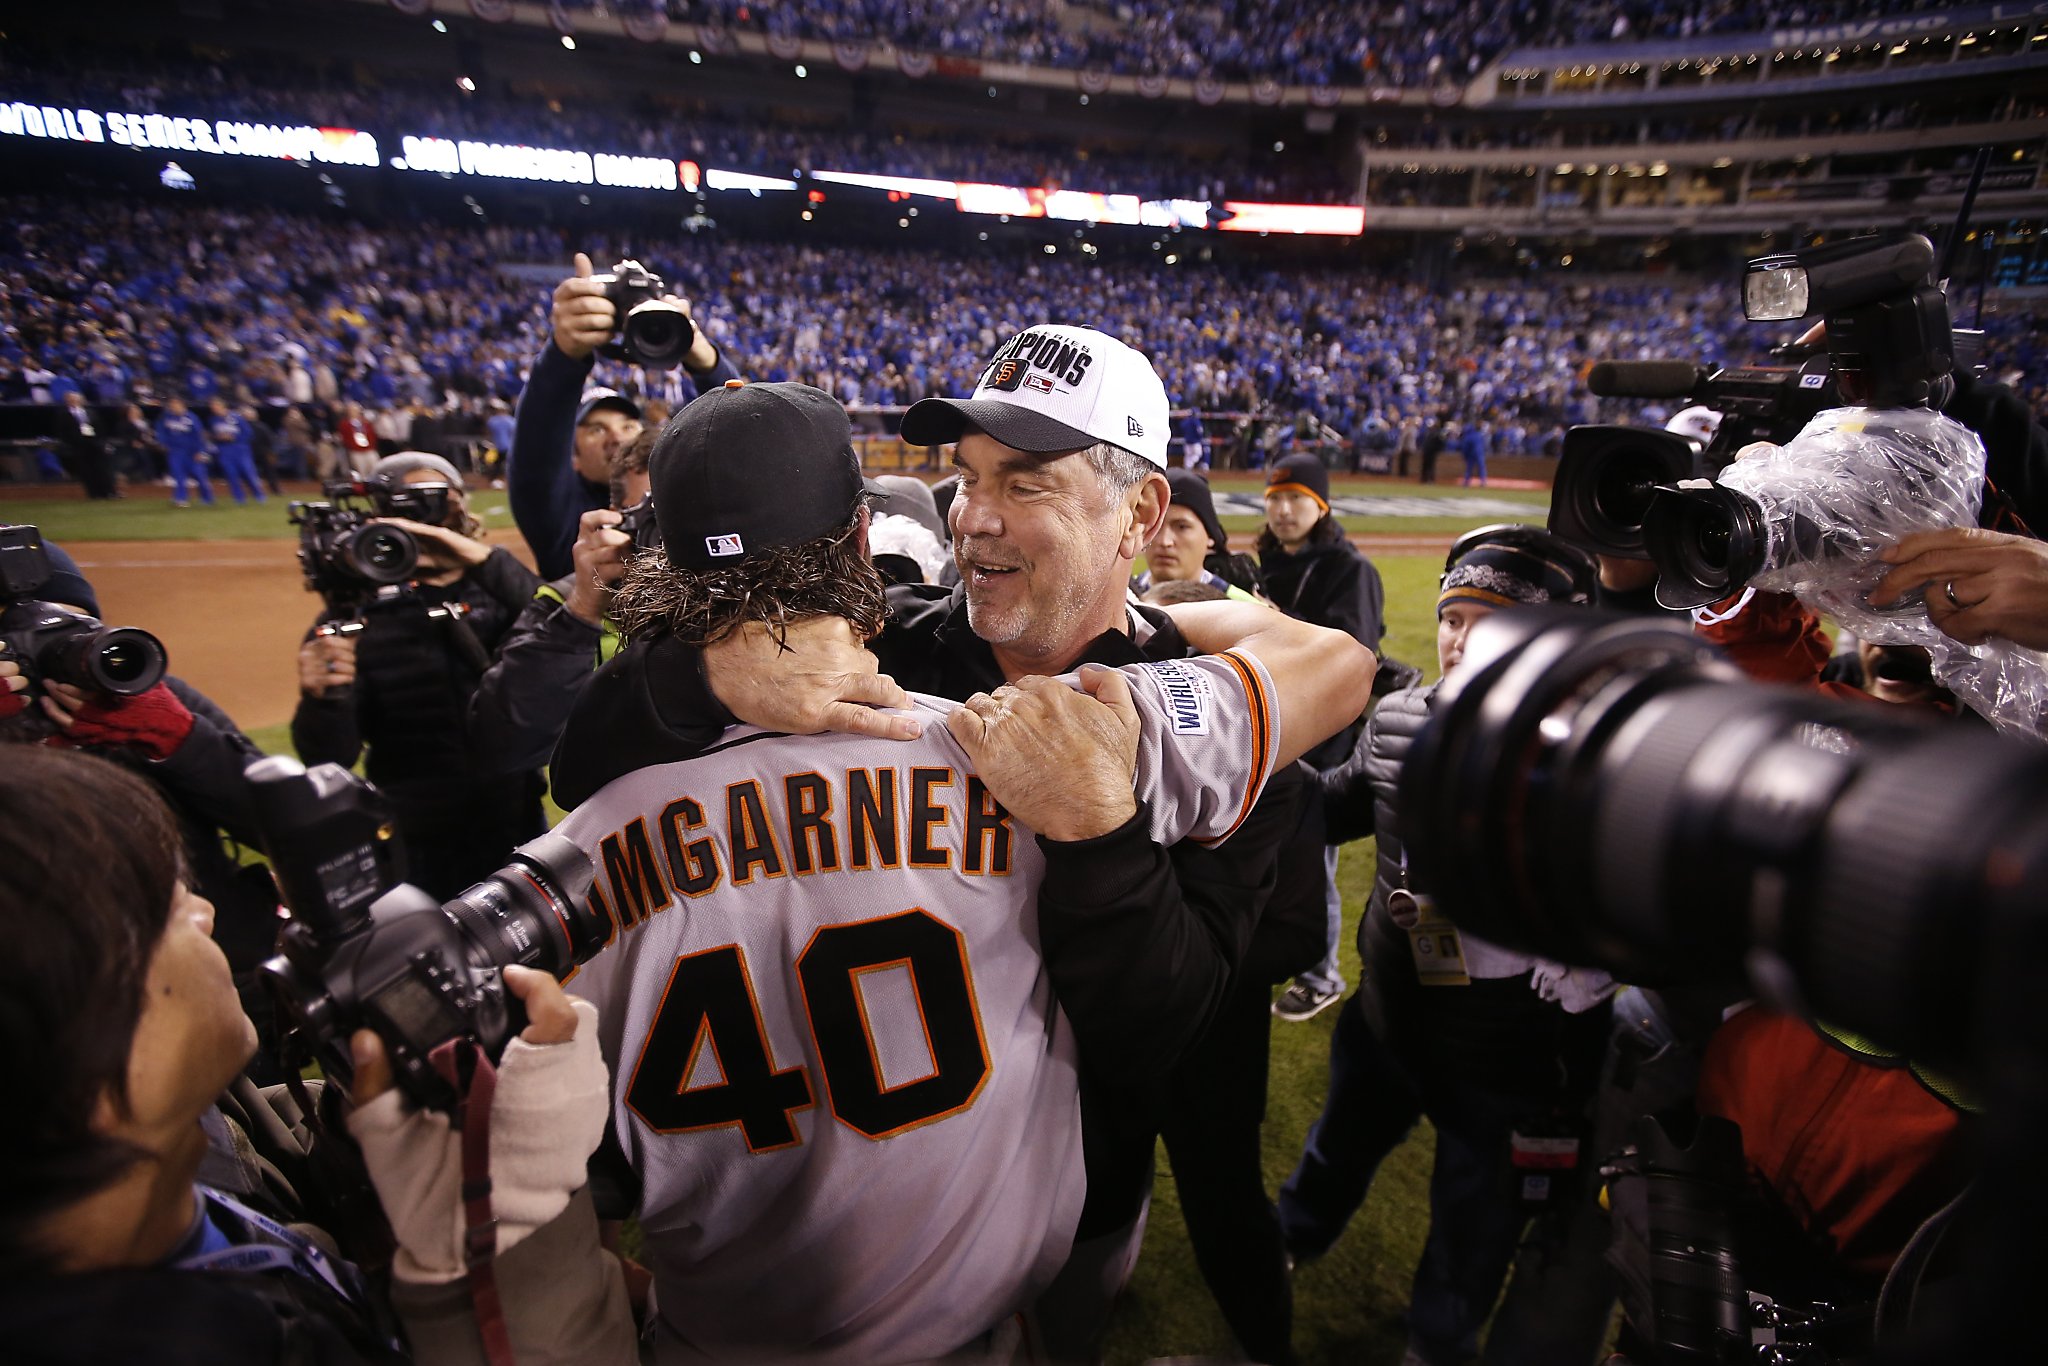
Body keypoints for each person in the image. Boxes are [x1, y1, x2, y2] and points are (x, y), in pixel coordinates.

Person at [548, 331, 1372, 1362]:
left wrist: (1097, 832)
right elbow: (589, 762)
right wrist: (695, 680)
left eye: (1023, 483)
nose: (969, 515)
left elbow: (1158, 1031)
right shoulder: (885, 641)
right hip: (850, 1194)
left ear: (1142, 515)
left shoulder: (1234, 738)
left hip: (1080, 1193)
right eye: (966, 476)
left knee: (1193, 1223)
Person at [0, 746, 635, 1365]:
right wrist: (519, 1224)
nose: (203, 911)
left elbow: (284, 1194)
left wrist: (368, 1106)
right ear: (93, 1089)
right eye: (166, 914)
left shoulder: (187, 1147)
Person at [1278, 526, 1617, 1366]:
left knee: (1475, 1216)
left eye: (1494, 620)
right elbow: (1337, 806)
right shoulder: (1399, 717)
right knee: (1338, 1144)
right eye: (1454, 614)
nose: (1463, 637)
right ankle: (1294, 1236)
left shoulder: (1600, 764)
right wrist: (1261, 761)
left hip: (1512, 1053)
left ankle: (1438, 1341)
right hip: (1392, 1007)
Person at [291, 453, 545, 899]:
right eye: (412, 506)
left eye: (441, 501)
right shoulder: (353, 614)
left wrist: (485, 562)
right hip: (417, 841)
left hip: (516, 822)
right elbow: (329, 756)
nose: (433, 517)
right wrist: (323, 700)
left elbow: (564, 631)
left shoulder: (499, 588)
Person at [509, 252, 738, 581]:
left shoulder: (684, 501)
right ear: (572, 458)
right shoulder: (561, 524)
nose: (616, 437)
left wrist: (706, 361)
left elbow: (743, 441)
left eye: (628, 425)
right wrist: (562, 357)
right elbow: (537, 454)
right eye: (596, 430)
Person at [1259, 452, 1384, 1023]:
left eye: (1296, 499)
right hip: (1266, 731)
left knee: (1315, 862)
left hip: (1322, 740)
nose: (1284, 510)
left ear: (1320, 505)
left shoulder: (1350, 569)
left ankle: (1322, 975)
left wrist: (1271, 620)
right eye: (1275, 498)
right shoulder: (1261, 560)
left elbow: (1353, 656)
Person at [467, 429, 652, 774]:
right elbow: (505, 744)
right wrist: (581, 612)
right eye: (654, 512)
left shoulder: (751, 594)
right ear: (616, 517)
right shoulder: (566, 602)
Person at [1130, 467, 1264, 602]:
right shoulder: (1121, 600)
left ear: (1210, 536)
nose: (1165, 541)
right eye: (1155, 526)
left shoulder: (1245, 608)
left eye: (1182, 527)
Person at [55, 390, 118, 500]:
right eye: (71, 399)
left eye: (75, 399)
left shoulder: (90, 412)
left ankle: (109, 492)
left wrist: (102, 442)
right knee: (87, 471)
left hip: (95, 445)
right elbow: (62, 432)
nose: (73, 401)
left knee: (103, 469)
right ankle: (94, 494)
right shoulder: (63, 414)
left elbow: (100, 428)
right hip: (78, 447)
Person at [205, 396, 266, 505]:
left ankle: (259, 495)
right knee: (231, 475)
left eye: (216, 405)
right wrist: (217, 437)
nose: (214, 408)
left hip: (240, 449)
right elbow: (212, 435)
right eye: (212, 406)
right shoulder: (213, 420)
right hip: (224, 450)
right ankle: (239, 498)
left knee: (248, 473)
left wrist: (234, 438)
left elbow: (248, 433)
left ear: (223, 406)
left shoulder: (236, 417)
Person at [156, 395, 214, 507]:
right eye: (171, 405)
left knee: (199, 475)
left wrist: (200, 451)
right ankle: (181, 498)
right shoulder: (167, 418)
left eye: (175, 405)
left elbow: (199, 436)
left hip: (191, 452)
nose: (173, 407)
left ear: (182, 405)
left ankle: (207, 498)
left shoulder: (192, 418)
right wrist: (163, 443)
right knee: (179, 475)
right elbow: (161, 432)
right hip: (175, 451)